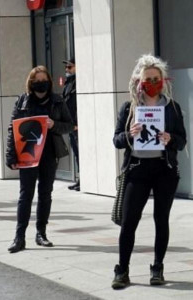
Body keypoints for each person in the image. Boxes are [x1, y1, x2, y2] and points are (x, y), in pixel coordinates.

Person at [111, 55, 186, 289]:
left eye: (156, 79)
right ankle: (122, 270)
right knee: (129, 221)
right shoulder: (130, 108)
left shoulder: (172, 108)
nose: (152, 83)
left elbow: (182, 141)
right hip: (137, 170)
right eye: (147, 79)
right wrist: (130, 134)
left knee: (161, 220)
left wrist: (170, 138)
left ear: (163, 80)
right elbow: (117, 140)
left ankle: (157, 268)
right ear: (138, 82)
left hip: (165, 170)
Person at [5, 65, 74, 253]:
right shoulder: (22, 101)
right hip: (28, 153)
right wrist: (10, 154)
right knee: (25, 195)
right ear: (31, 82)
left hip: (49, 153)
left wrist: (53, 125)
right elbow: (13, 129)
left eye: (44, 80)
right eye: (37, 81)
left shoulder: (57, 101)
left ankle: (41, 233)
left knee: (45, 194)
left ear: (49, 82)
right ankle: (19, 237)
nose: (41, 84)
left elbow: (69, 125)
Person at [62, 57, 80, 191]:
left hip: (77, 124)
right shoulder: (69, 83)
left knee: (80, 153)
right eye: (66, 67)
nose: (67, 69)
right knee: (76, 153)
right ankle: (81, 179)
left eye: (70, 67)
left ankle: (83, 179)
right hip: (71, 125)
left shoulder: (79, 83)